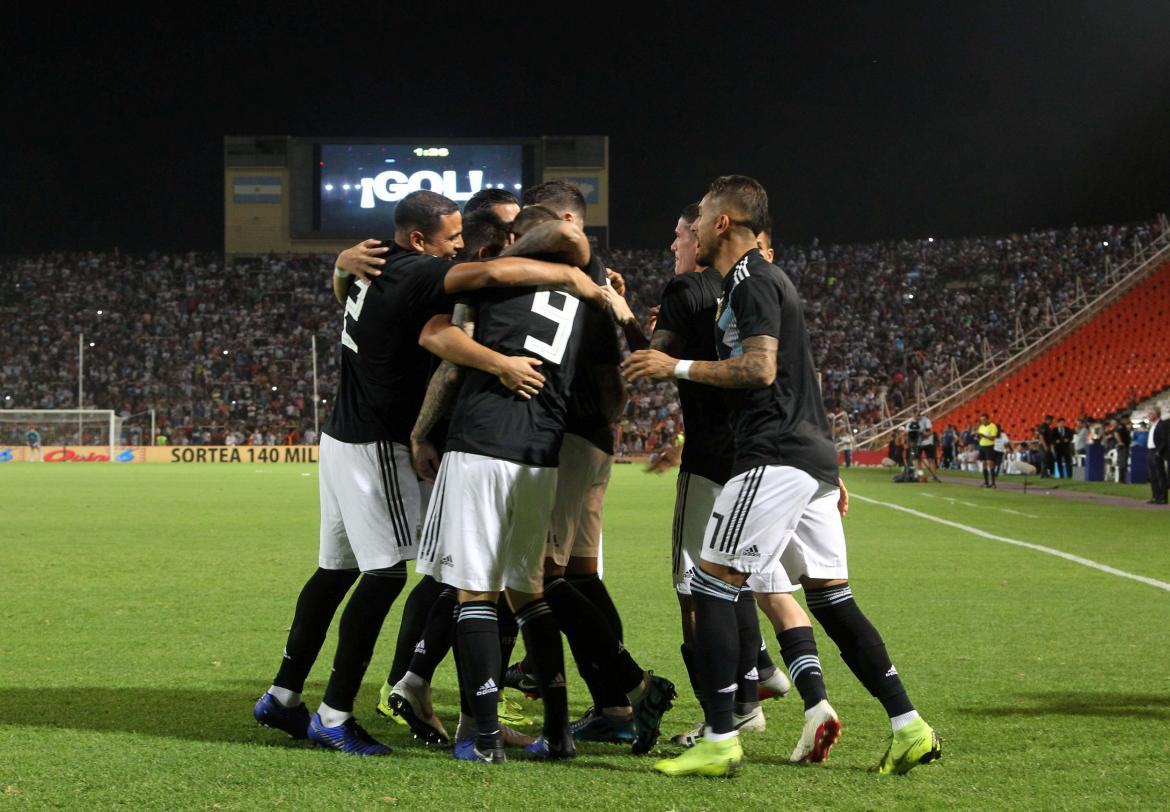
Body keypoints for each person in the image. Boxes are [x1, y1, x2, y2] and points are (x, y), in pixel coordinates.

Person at [252, 190, 603, 756]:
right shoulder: (420, 271)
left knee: (335, 571)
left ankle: (284, 694)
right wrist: (577, 283)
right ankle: (336, 713)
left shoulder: (374, 262)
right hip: (378, 441)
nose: (459, 246)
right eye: (451, 238)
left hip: (343, 435)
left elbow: (351, 288)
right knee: (390, 573)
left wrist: (339, 266)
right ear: (419, 240)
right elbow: (491, 275)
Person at [624, 175, 939, 778]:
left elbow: (761, 369)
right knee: (831, 596)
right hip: (810, 458)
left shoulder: (750, 279)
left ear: (722, 222)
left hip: (772, 454)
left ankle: (721, 735)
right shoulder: (755, 283)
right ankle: (909, 726)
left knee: (711, 583)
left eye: (703, 213)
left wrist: (677, 366)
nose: (690, 228)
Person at [413, 216, 613, 763]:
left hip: (481, 443)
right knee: (527, 593)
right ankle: (558, 734)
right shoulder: (589, 296)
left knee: (474, 592)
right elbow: (611, 393)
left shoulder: (498, 280)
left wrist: (423, 429)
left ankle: (482, 739)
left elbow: (437, 337)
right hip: (540, 454)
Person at [605, 204, 797, 751]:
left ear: (704, 233)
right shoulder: (755, 285)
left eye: (679, 235)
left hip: (711, 461)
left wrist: (620, 312)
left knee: (696, 593)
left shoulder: (686, 289)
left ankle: (727, 710)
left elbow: (650, 360)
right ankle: (754, 685)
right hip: (760, 456)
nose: (674, 247)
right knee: (734, 582)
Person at [1146, 408, 1168, 504]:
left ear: (1157, 414)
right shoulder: (1152, 426)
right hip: (1150, 451)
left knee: (1160, 475)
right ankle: (1155, 496)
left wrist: (1159, 452)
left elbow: (1165, 440)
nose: (1149, 415)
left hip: (1156, 451)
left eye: (1151, 413)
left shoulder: (1162, 425)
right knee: (1152, 475)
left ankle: (1162, 497)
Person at [977, 412, 999, 488]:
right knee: (983, 464)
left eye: (984, 420)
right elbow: (979, 436)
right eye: (981, 420)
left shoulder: (993, 426)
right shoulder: (981, 427)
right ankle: (986, 482)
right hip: (982, 446)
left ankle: (993, 483)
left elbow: (993, 438)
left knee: (990, 463)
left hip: (989, 446)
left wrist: (983, 436)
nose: (982, 421)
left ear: (987, 419)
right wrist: (978, 436)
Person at [1110, 417, 1132, 483]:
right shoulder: (1121, 426)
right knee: (1123, 463)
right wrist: (1120, 442)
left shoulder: (1122, 427)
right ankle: (1122, 479)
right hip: (1123, 447)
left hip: (1124, 446)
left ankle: (1122, 479)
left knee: (1122, 463)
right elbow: (1116, 433)